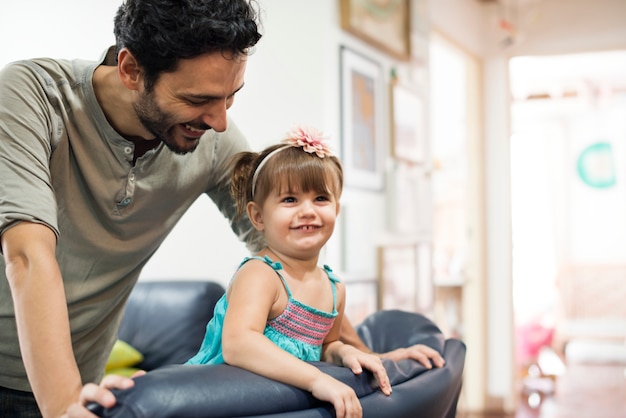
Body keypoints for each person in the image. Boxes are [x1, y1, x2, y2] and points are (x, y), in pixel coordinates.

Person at [0, 0, 442, 416]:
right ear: (131, 69)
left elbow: (287, 254)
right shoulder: (33, 97)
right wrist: (62, 407)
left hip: (84, 381)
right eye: (197, 101)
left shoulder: (210, 142)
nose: (220, 121)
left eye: (230, 97)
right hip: (46, 387)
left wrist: (368, 355)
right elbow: (27, 257)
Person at [186, 126, 391, 417]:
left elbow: (326, 344)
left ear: (336, 210)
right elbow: (239, 344)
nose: (308, 210)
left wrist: (343, 351)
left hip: (279, 405)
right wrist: (317, 379)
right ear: (258, 216)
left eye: (321, 198)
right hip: (221, 400)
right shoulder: (261, 275)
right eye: (290, 200)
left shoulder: (334, 288)